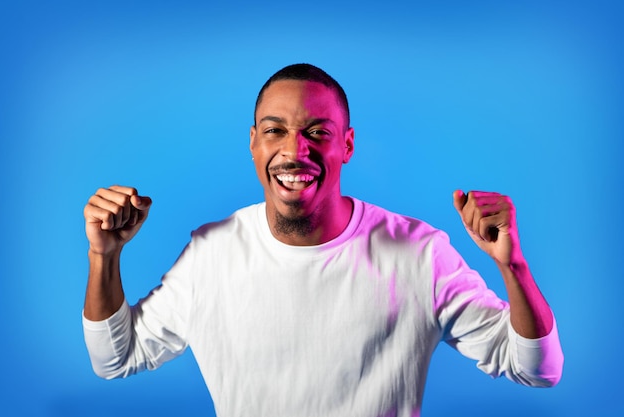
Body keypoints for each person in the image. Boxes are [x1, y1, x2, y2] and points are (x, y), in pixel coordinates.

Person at [82, 63, 563, 417]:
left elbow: (538, 369)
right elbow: (115, 358)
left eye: (317, 132)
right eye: (276, 131)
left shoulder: (419, 253)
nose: (296, 150)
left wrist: (513, 266)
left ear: (347, 145)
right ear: (254, 143)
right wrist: (103, 256)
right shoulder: (213, 252)